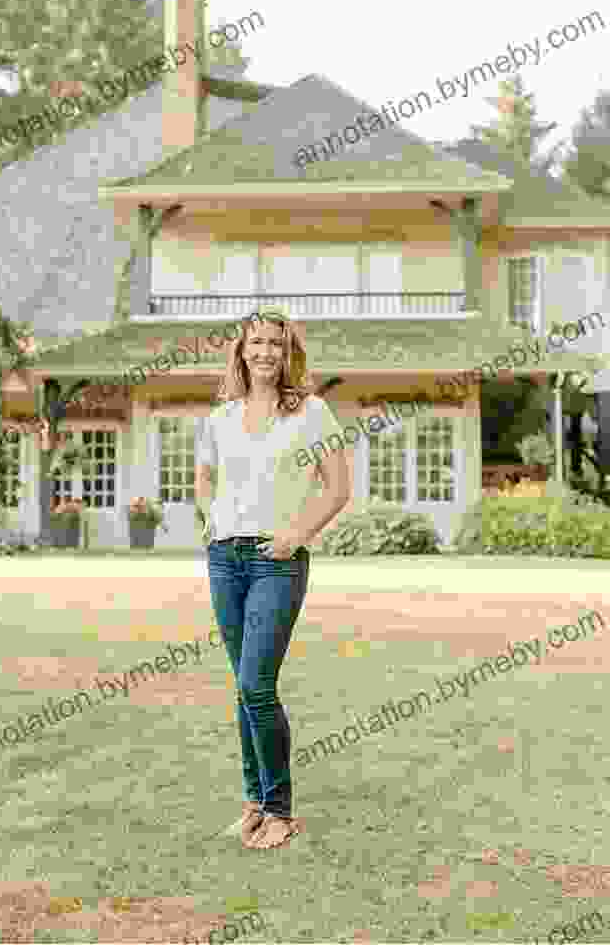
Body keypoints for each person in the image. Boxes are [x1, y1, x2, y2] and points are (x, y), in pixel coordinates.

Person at [195, 307, 350, 850]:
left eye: (275, 344)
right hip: (225, 558)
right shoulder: (220, 418)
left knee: (257, 687)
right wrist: (208, 520)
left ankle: (280, 810)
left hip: (276, 561)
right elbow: (204, 476)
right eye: (255, 342)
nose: (264, 352)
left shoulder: (311, 412)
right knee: (243, 688)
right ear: (240, 350)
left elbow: (337, 489)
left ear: (288, 354)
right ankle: (254, 804)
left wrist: (293, 536)